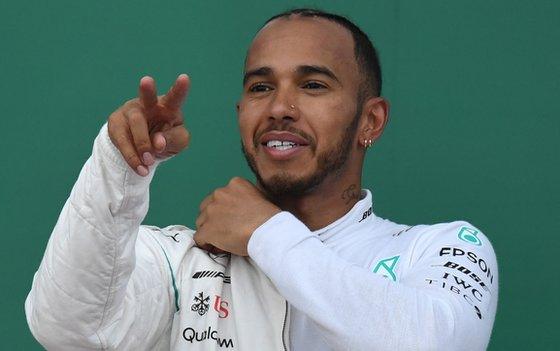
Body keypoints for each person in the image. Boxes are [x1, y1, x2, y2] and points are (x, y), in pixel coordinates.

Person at [25, 8, 498, 351]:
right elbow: (68, 329)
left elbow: (434, 343)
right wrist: (118, 167)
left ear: (370, 121)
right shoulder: (180, 262)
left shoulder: (444, 248)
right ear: (240, 114)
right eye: (260, 87)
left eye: (313, 85)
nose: (278, 108)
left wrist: (265, 232)